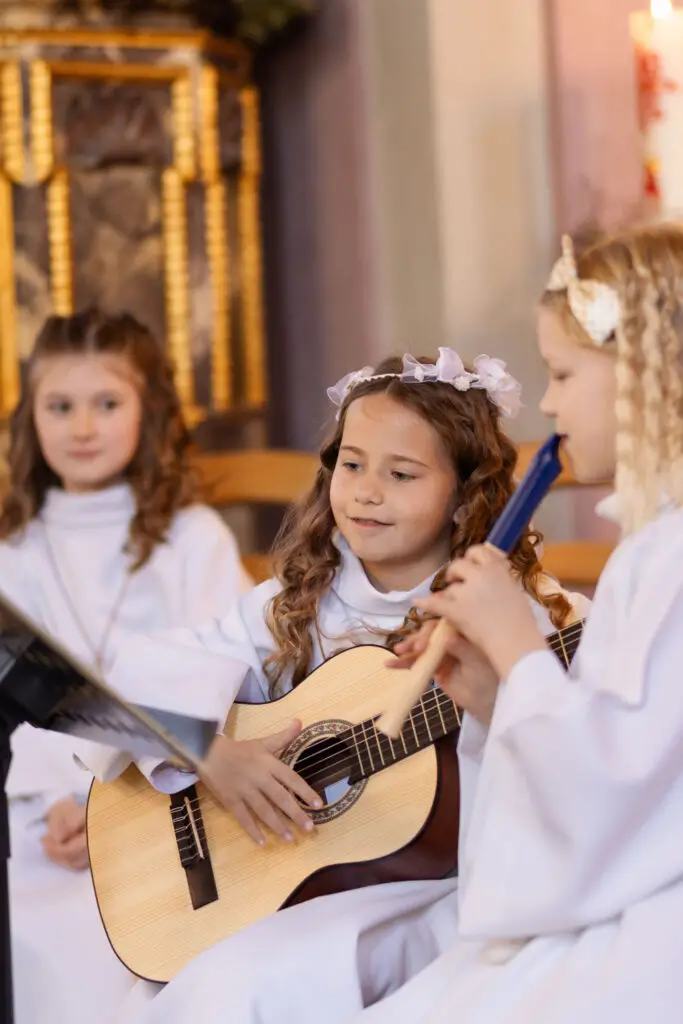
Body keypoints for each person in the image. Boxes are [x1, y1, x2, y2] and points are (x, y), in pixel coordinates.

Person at [94, 347, 588, 1023]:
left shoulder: (514, 617)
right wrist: (208, 751)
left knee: (239, 988)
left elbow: (562, 769)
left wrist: (499, 697)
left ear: (464, 493)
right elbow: (128, 678)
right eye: (351, 464)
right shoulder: (295, 602)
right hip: (281, 885)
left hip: (434, 893)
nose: (365, 492)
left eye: (402, 473)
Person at [333, 223, 683, 1023]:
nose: (550, 402)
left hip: (644, 936)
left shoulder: (667, 557)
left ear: (644, 374)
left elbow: (621, 797)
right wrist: (495, 695)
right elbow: (603, 762)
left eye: (562, 373)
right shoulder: (650, 546)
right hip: (606, 905)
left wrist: (519, 645)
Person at [0, 308, 251, 1024]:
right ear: (31, 418)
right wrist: (56, 804)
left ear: (152, 411)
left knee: (139, 950)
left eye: (107, 404)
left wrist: (115, 802)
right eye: (61, 406)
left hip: (169, 808)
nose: (83, 427)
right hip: (46, 821)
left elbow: (226, 674)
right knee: (31, 935)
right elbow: (11, 702)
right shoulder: (12, 550)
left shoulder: (191, 539)